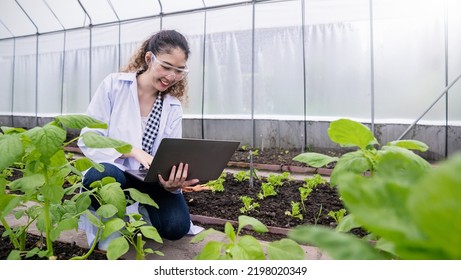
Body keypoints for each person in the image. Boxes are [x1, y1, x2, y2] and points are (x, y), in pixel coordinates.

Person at [77, 30, 199, 247]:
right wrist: (133, 151)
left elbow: (170, 153)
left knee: (176, 226)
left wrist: (172, 183)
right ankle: (113, 220)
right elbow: (89, 137)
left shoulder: (172, 106)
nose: (171, 76)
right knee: (100, 177)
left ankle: (139, 212)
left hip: (151, 179)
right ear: (149, 58)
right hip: (116, 173)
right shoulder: (114, 86)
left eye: (179, 70)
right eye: (166, 66)